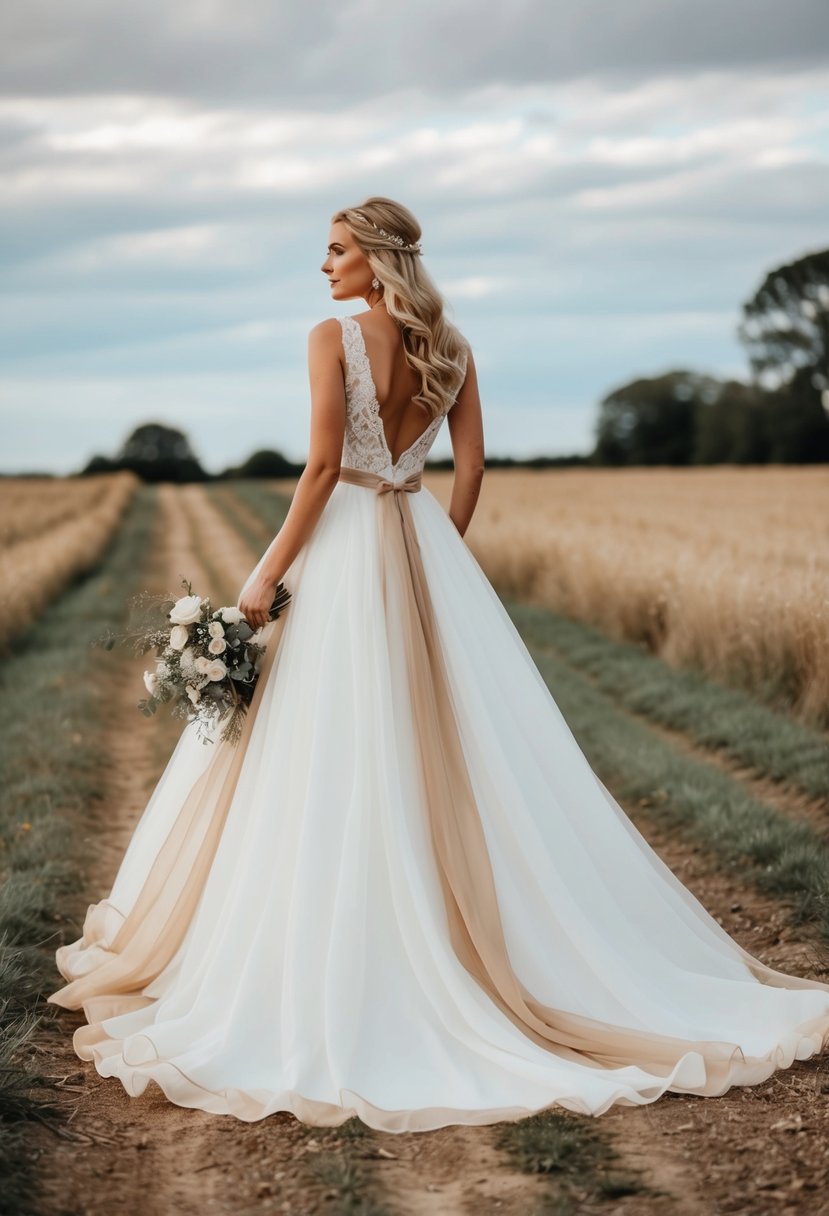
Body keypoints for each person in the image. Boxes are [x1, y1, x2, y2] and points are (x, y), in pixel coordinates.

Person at [48, 196, 829, 1133]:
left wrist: (262, 575)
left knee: (323, 738)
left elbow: (323, 469)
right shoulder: (450, 347)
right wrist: (434, 552)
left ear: (373, 258)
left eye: (335, 250)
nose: (323, 266)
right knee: (447, 745)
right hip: (420, 541)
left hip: (343, 549)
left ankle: (341, 943)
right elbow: (474, 468)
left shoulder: (331, 338)